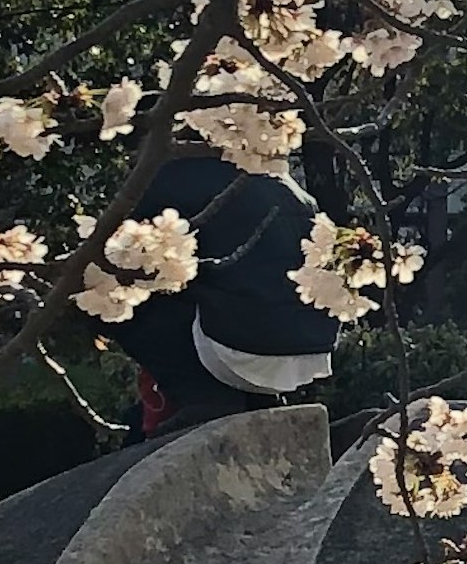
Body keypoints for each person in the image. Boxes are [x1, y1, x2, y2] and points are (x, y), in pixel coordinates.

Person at [99, 137, 345, 433]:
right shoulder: (282, 180)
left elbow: (114, 256)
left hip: (239, 345)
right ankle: (256, 400)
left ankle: (204, 396)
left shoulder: (174, 176)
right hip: (311, 346)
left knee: (108, 292)